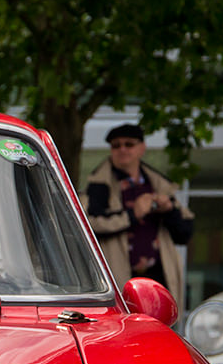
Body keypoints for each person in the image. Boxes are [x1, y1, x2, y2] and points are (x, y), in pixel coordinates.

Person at [83, 123, 194, 308]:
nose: (122, 150)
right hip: (120, 280)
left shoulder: (157, 183)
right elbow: (91, 225)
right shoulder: (99, 184)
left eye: (129, 144)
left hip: (158, 278)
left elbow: (185, 233)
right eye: (116, 145)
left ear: (142, 148)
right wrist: (132, 215)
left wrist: (169, 210)